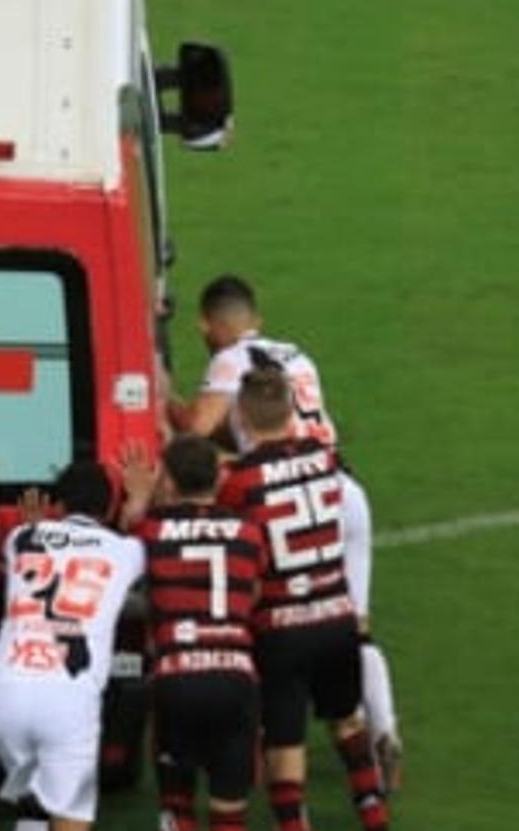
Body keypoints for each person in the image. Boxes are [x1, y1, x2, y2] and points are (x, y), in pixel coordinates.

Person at [168, 274, 402, 785]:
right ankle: (384, 730)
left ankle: (255, 739)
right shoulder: (299, 355)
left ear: (209, 326)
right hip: (342, 490)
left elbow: (194, 429)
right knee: (354, 623)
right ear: (258, 317)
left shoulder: (232, 360)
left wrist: (163, 392)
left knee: (268, 619)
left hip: (285, 500)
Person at [218, 369, 401, 831]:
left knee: (285, 764)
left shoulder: (240, 484)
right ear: (294, 410)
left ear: (243, 419)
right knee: (348, 728)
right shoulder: (327, 461)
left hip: (280, 629)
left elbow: (238, 554)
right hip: (336, 618)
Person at [0, 462, 146, 831]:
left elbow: (28, 550)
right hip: (67, 695)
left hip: (6, 687)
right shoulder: (125, 551)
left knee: (30, 808)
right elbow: (139, 542)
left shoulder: (24, 538)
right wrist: (138, 503)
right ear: (109, 505)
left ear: (56, 503)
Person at [120, 435, 267, 831]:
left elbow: (123, 569)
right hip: (235, 678)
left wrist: (138, 503)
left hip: (177, 677)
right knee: (230, 813)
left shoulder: (153, 532)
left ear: (170, 481)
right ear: (216, 479)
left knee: (176, 799)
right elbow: (251, 595)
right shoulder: (250, 533)